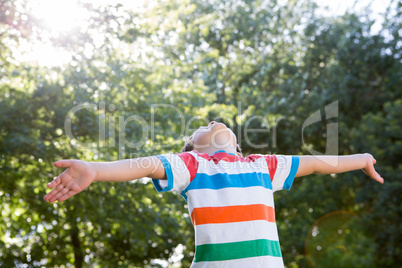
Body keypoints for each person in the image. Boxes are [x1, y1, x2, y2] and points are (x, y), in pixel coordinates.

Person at [44, 121, 384, 267]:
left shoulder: (262, 166)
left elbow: (318, 163)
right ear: (191, 148)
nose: (211, 123)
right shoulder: (192, 165)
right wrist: (95, 169)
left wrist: (362, 159)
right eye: (202, 129)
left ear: (238, 145)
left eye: (215, 126)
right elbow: (145, 166)